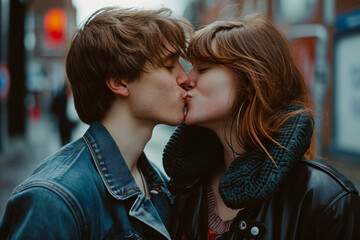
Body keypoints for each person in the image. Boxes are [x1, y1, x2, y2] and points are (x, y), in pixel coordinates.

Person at [0, 7, 192, 239]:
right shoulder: (55, 199)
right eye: (170, 66)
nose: (186, 79)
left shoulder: (159, 184)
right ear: (120, 82)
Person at [163, 14, 360, 240]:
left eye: (203, 68)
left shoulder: (325, 198)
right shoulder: (182, 186)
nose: (187, 79)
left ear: (251, 80)